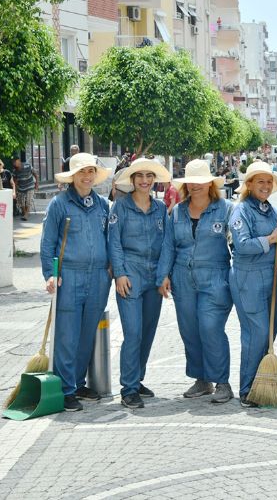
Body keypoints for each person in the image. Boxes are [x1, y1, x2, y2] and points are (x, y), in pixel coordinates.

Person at [157, 160, 235, 404]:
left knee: (210, 327)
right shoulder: (177, 211)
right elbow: (168, 245)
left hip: (215, 278)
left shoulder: (226, 209)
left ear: (210, 183)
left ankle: (222, 381)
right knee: (189, 330)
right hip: (183, 278)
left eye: (201, 181)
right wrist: (163, 275)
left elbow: (238, 242)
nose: (196, 185)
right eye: (192, 181)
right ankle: (202, 380)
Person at [41, 153, 112, 412]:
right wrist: (50, 273)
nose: (87, 176)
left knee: (86, 334)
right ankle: (65, 389)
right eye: (82, 171)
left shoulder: (103, 205)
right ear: (72, 176)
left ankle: (78, 382)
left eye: (91, 171)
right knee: (67, 335)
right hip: (69, 275)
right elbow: (48, 242)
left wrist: (114, 267)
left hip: (98, 277)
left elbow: (110, 239)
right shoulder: (59, 204)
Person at [229, 161, 277, 407]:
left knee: (269, 332)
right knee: (256, 333)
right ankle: (247, 389)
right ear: (249, 184)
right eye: (260, 182)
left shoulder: (270, 210)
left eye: (268, 182)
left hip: (272, 276)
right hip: (248, 277)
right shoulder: (241, 211)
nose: (265, 186)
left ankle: (261, 383)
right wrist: (270, 239)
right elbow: (242, 245)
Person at [108, 158, 170, 409]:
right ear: (132, 180)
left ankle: (138, 378)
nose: (144, 180)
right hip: (130, 276)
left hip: (154, 277)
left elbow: (167, 244)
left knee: (147, 333)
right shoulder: (120, 208)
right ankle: (129, 388)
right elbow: (114, 242)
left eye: (149, 176)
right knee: (133, 332)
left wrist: (164, 275)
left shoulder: (161, 209)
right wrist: (120, 273)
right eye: (139, 176)